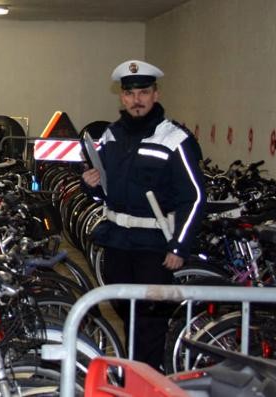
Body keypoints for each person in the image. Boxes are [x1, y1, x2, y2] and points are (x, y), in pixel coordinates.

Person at [81, 60, 205, 369]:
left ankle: (146, 377)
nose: (137, 99)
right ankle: (134, 371)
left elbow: (195, 197)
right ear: (121, 97)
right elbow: (106, 191)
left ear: (156, 94)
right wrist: (92, 185)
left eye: (144, 92)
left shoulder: (174, 139)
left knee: (149, 322)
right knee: (127, 315)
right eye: (130, 93)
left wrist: (179, 246)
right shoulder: (111, 136)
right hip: (117, 243)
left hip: (153, 247)